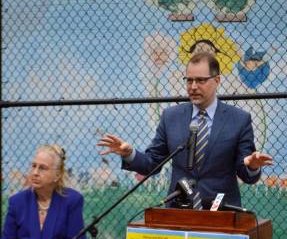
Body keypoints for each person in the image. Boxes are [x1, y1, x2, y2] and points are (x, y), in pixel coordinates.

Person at [97, 52, 273, 207]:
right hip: (178, 211)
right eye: (189, 80)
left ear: (217, 80)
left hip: (221, 213)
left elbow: (248, 175)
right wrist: (129, 154)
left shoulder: (239, 119)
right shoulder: (171, 117)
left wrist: (252, 166)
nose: (193, 86)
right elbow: (153, 163)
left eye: (201, 80)